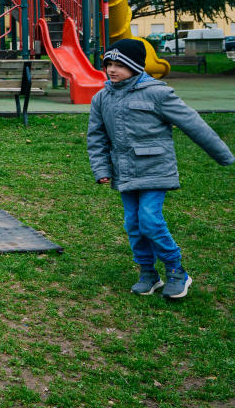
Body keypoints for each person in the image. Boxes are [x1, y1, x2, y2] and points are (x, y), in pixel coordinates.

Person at [87, 38, 233, 299]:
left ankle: (176, 271)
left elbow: (194, 124)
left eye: (118, 64)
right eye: (108, 64)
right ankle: (148, 273)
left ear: (134, 66)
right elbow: (96, 137)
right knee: (133, 224)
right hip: (124, 173)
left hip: (155, 169)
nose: (111, 69)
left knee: (150, 220)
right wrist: (101, 169)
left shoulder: (158, 93)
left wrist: (225, 157)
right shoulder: (101, 97)